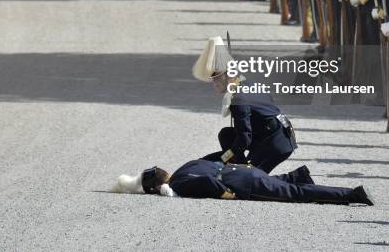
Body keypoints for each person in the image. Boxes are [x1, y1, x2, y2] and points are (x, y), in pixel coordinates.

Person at [192, 37, 296, 173]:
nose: (214, 83)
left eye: (217, 78)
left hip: (275, 143)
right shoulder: (247, 84)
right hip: (272, 134)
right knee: (226, 135)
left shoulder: (238, 98)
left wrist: (224, 157)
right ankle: (238, 167)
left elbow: (244, 139)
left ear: (229, 75)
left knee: (250, 182)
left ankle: (240, 171)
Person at [112, 160, 374, 205]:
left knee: (295, 194)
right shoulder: (184, 168)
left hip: (244, 185)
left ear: (156, 188)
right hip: (244, 170)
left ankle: (352, 194)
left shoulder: (178, 186)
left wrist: (228, 195)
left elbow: (207, 182)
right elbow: (210, 162)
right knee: (288, 185)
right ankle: (300, 174)